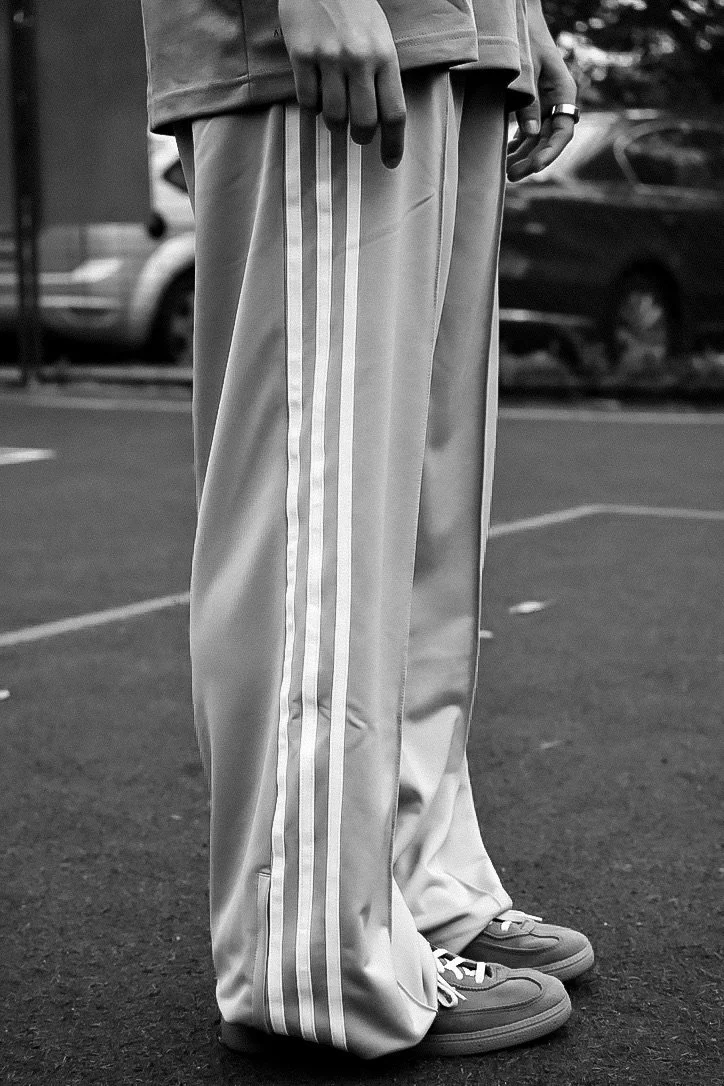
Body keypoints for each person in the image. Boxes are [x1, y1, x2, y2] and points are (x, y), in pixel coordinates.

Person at [140, 0, 593, 1060]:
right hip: (327, 31)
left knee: (418, 505)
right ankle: (315, 957)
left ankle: (414, 886)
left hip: (451, 32)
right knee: (323, 492)